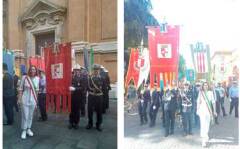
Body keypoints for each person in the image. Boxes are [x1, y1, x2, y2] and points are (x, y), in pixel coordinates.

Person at [18, 65, 39, 139]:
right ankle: (24, 130)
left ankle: (28, 129)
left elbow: (37, 91)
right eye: (31, 69)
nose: (33, 71)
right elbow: (20, 89)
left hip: (33, 100)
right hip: (25, 99)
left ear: (36, 71)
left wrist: (36, 102)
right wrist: (19, 99)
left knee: (30, 116)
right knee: (25, 115)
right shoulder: (25, 78)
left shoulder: (37, 79)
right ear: (29, 70)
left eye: (34, 69)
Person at [197, 82, 217, 147]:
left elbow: (213, 102)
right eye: (204, 85)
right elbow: (198, 102)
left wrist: (214, 111)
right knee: (202, 124)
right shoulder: (200, 93)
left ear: (208, 86)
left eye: (206, 85)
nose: (205, 86)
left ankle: (206, 134)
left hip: (208, 111)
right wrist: (197, 109)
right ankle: (203, 140)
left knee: (207, 125)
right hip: (202, 111)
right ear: (202, 86)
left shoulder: (210, 93)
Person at [86, 64, 104, 131]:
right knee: (90, 111)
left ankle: (98, 124)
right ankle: (90, 123)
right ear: (93, 70)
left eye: (97, 70)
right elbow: (87, 87)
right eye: (94, 70)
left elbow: (104, 88)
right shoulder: (90, 78)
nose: (96, 71)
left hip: (99, 97)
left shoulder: (102, 78)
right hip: (91, 96)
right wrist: (92, 91)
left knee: (99, 111)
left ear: (99, 70)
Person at [68, 64, 83, 129]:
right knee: (71, 111)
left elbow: (83, 88)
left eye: (78, 70)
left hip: (78, 97)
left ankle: (76, 123)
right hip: (71, 97)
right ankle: (71, 122)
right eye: (75, 70)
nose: (76, 71)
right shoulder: (71, 77)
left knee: (77, 111)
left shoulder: (82, 78)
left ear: (80, 71)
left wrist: (75, 89)